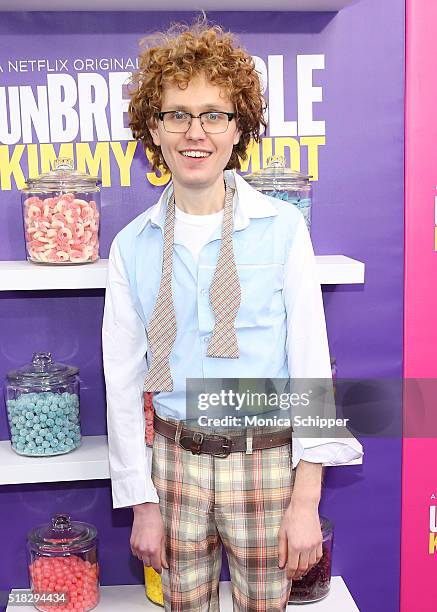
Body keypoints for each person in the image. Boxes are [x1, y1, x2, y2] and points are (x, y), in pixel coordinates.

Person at [102, 20, 363, 612]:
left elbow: (311, 369)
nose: (196, 133)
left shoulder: (283, 230)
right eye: (177, 114)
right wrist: (142, 502)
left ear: (238, 126)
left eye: (214, 114)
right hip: (172, 467)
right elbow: (122, 383)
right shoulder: (131, 245)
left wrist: (306, 501)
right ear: (153, 127)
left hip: (266, 462)